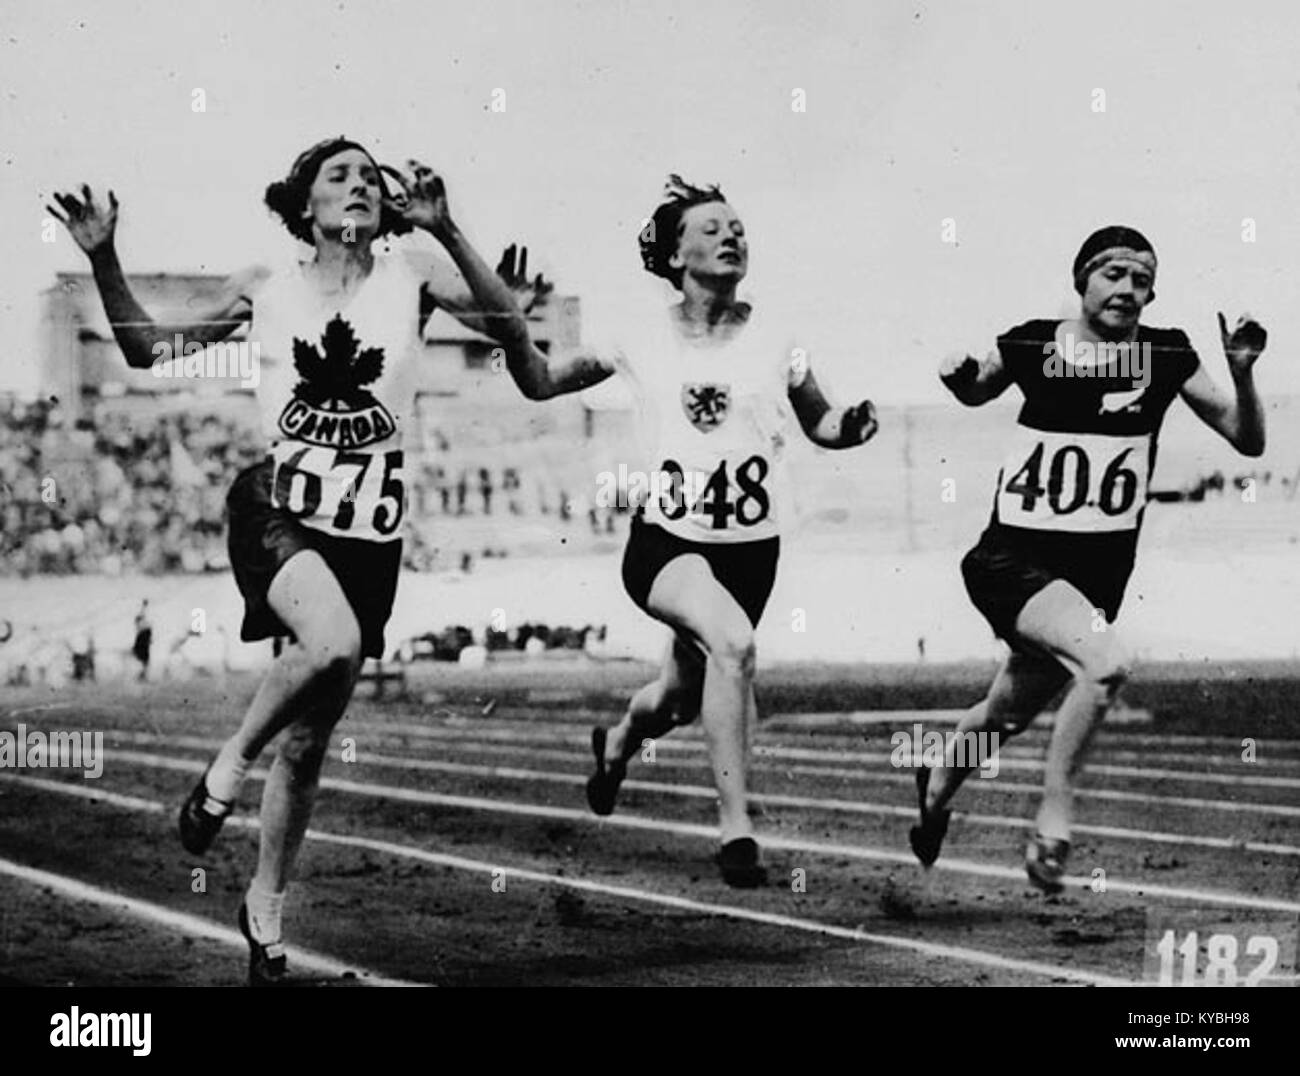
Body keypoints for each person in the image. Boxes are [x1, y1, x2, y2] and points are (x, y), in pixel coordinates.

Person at [49, 136, 539, 983]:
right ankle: (225, 767)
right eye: (336, 175)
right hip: (276, 510)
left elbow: (509, 329)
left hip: (367, 538)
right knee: (335, 644)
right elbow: (143, 351)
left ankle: (265, 909)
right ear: (303, 203)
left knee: (310, 742)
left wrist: (451, 230)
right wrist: (105, 257)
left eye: (369, 178)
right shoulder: (263, 284)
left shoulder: (412, 276)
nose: (357, 186)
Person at [497, 175, 879, 885]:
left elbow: (818, 420)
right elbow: (542, 381)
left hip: (750, 552)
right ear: (673, 256)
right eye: (709, 228)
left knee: (676, 695)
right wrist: (512, 326)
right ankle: (737, 830)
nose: (731, 235)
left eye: (737, 226)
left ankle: (616, 745)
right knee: (734, 646)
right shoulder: (638, 336)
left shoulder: (777, 338)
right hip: (669, 543)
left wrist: (849, 426)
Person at [916, 226, 1267, 892]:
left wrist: (1244, 376)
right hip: (1011, 558)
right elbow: (975, 389)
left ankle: (934, 789)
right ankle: (1053, 818)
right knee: (1106, 666)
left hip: (1095, 578)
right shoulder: (1031, 341)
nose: (1127, 289)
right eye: (1112, 273)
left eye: (1141, 280)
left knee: (1004, 714)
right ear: (1081, 281)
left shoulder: (1166, 354)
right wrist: (956, 372)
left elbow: (1247, 441)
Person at [131, 600, 152, 682]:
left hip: (143, 645)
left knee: (145, 662)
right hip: (142, 645)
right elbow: (142, 614)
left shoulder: (141, 627)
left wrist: (144, 606)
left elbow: (142, 614)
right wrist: (144, 606)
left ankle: (142, 676)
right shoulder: (141, 626)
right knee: (144, 662)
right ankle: (141, 677)